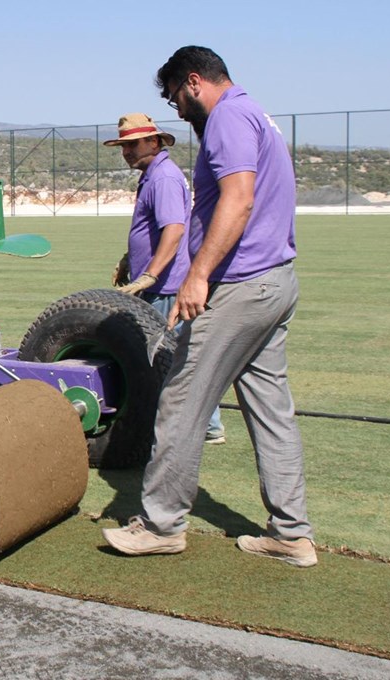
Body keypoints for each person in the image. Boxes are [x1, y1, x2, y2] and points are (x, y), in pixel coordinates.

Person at [102, 46, 316, 567]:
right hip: (276, 281)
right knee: (270, 410)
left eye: (175, 96)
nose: (176, 109)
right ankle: (291, 534)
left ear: (194, 82)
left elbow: (239, 198)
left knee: (180, 397)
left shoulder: (225, 117)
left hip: (241, 286)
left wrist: (198, 275)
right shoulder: (256, 113)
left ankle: (160, 524)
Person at [105, 113, 225, 445]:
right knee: (180, 357)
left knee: (166, 359)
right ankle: (208, 425)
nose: (127, 151)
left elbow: (174, 230)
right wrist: (131, 259)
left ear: (154, 142)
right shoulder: (153, 176)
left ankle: (200, 427)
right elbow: (155, 230)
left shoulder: (164, 179)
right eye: (123, 145)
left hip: (166, 288)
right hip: (160, 285)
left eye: (133, 144)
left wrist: (150, 274)